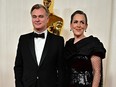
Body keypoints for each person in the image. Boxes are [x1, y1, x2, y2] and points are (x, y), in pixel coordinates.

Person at [14, 4, 65, 87]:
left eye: (41, 16)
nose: (37, 19)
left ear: (47, 19)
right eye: (34, 16)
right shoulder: (23, 39)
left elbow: (62, 69)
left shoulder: (58, 41)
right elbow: (18, 66)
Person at [64, 10, 106, 87]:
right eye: (75, 22)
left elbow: (97, 72)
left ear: (86, 26)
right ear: (71, 25)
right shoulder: (68, 45)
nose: (78, 25)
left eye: (82, 22)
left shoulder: (93, 43)